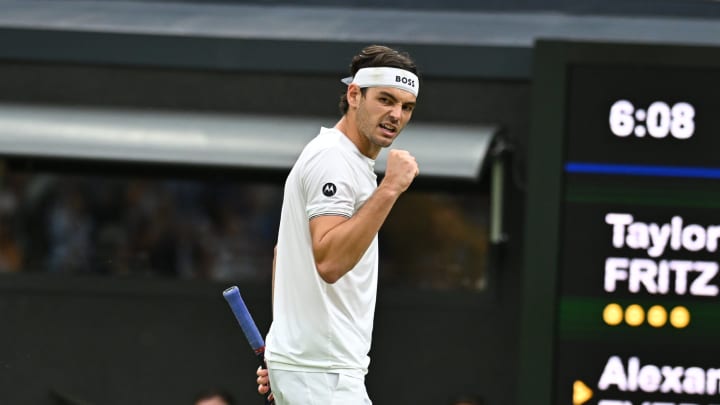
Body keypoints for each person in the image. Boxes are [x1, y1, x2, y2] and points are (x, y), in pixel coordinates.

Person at [255, 44, 421, 404]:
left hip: (315, 367)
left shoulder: (344, 158)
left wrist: (285, 347)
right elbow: (329, 262)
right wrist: (390, 188)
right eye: (386, 100)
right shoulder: (334, 158)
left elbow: (284, 252)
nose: (396, 115)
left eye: (406, 107)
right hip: (323, 372)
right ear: (354, 95)